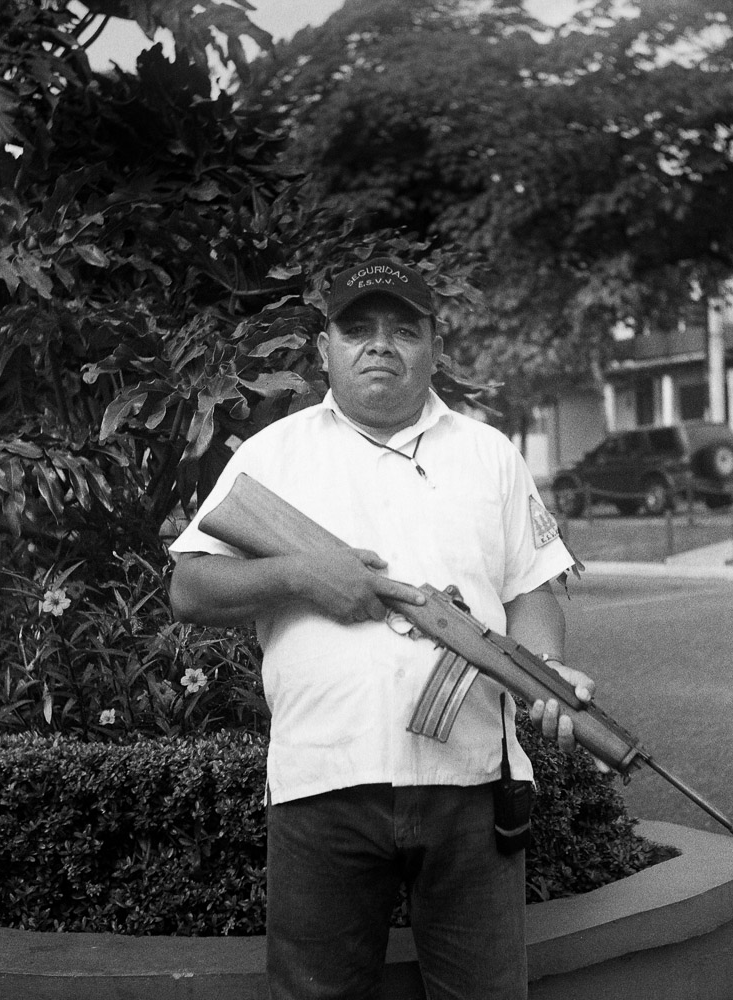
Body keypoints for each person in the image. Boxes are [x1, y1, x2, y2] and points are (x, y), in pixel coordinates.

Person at [168, 256, 597, 1000]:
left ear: (435, 347)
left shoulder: (489, 454)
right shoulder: (274, 455)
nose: (380, 345)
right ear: (325, 349)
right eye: (358, 329)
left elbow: (530, 589)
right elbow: (190, 586)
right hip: (322, 781)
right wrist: (302, 576)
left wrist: (546, 669)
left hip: (472, 782)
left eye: (403, 330)